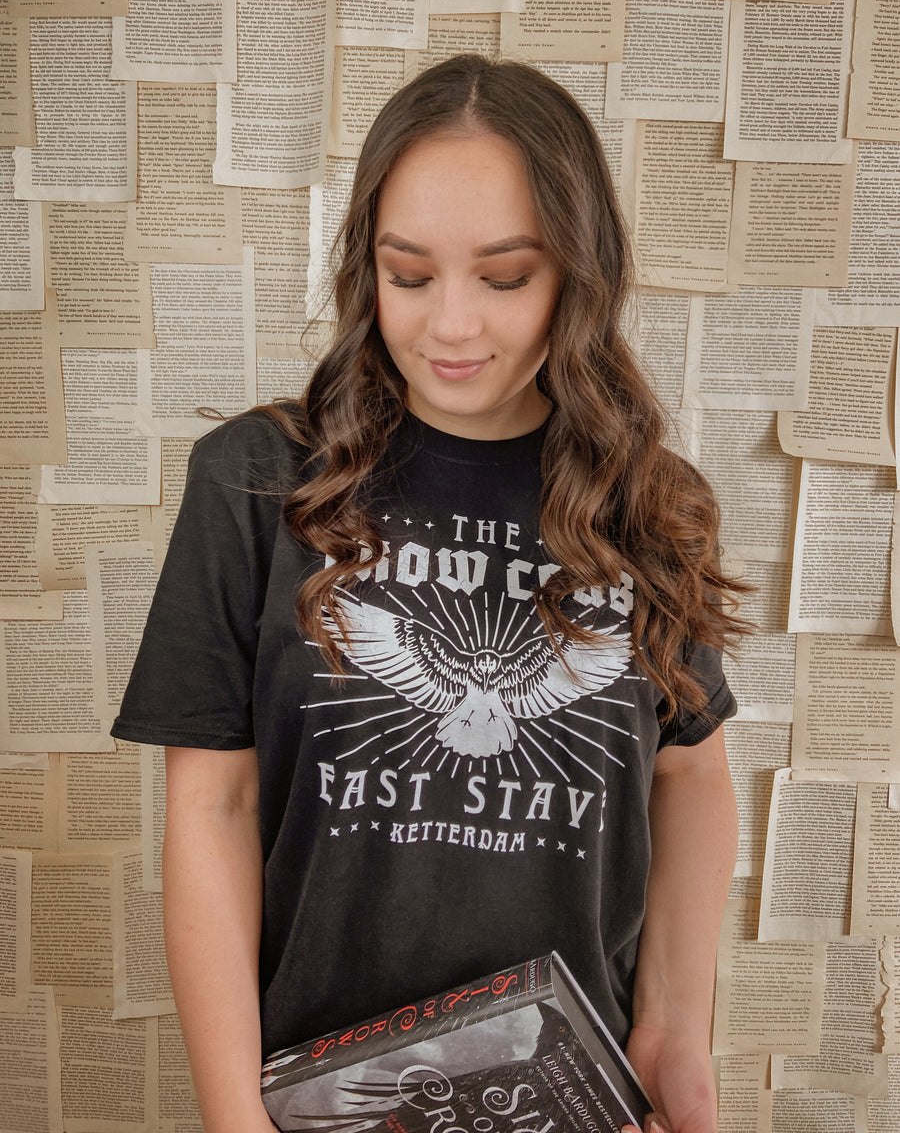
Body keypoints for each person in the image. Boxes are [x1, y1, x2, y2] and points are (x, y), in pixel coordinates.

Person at [112, 55, 748, 1133]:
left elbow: (691, 772)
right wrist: (233, 1117)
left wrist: (675, 1032)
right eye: (409, 275)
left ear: (580, 275)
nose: (452, 327)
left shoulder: (650, 501)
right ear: (367, 268)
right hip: (321, 1100)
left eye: (505, 277)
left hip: (574, 1099)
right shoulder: (255, 482)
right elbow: (210, 807)